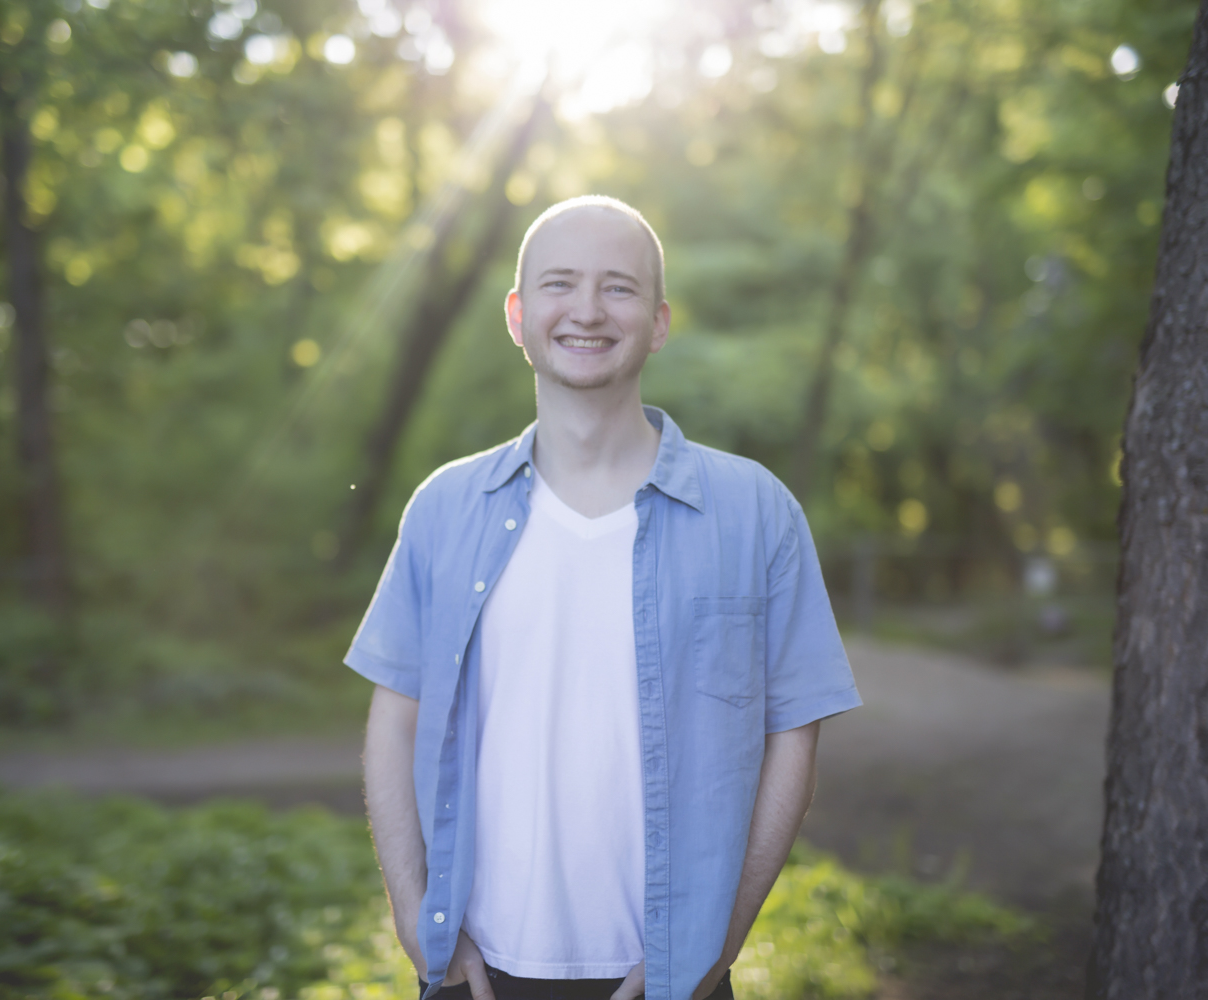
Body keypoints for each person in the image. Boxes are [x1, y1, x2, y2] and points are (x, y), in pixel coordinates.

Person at [347, 196, 861, 1000]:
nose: (586, 310)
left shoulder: (756, 511)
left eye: (617, 288)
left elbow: (793, 735)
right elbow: (395, 714)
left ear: (658, 322)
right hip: (474, 972)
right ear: (518, 315)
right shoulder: (444, 509)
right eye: (560, 284)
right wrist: (412, 915)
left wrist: (710, 949)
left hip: (670, 976)